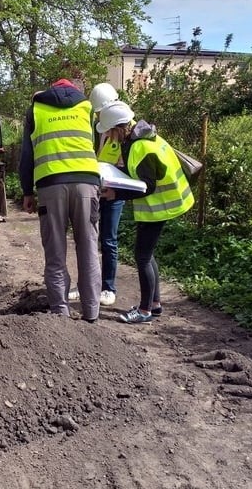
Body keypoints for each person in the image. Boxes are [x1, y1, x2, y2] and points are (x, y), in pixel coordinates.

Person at [96, 101, 195, 324]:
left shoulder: (140, 147)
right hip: (165, 202)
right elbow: (136, 172)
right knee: (147, 255)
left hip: (162, 205)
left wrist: (116, 194)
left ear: (120, 128)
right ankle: (154, 304)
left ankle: (144, 310)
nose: (110, 137)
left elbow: (146, 186)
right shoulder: (141, 137)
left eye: (111, 132)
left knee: (142, 257)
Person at [19, 76, 102, 323]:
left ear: (50, 89)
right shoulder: (87, 108)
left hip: (50, 185)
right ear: (75, 90)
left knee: (55, 251)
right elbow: (94, 146)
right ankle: (92, 313)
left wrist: (26, 191)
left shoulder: (36, 109)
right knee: (88, 249)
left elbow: (26, 155)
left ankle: (60, 315)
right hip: (86, 184)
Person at [68, 82, 124, 307]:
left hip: (114, 192)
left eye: (101, 112)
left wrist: (115, 189)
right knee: (87, 237)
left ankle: (108, 288)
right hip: (96, 187)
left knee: (108, 240)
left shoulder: (122, 128)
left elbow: (127, 166)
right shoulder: (98, 126)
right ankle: (86, 285)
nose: (100, 116)